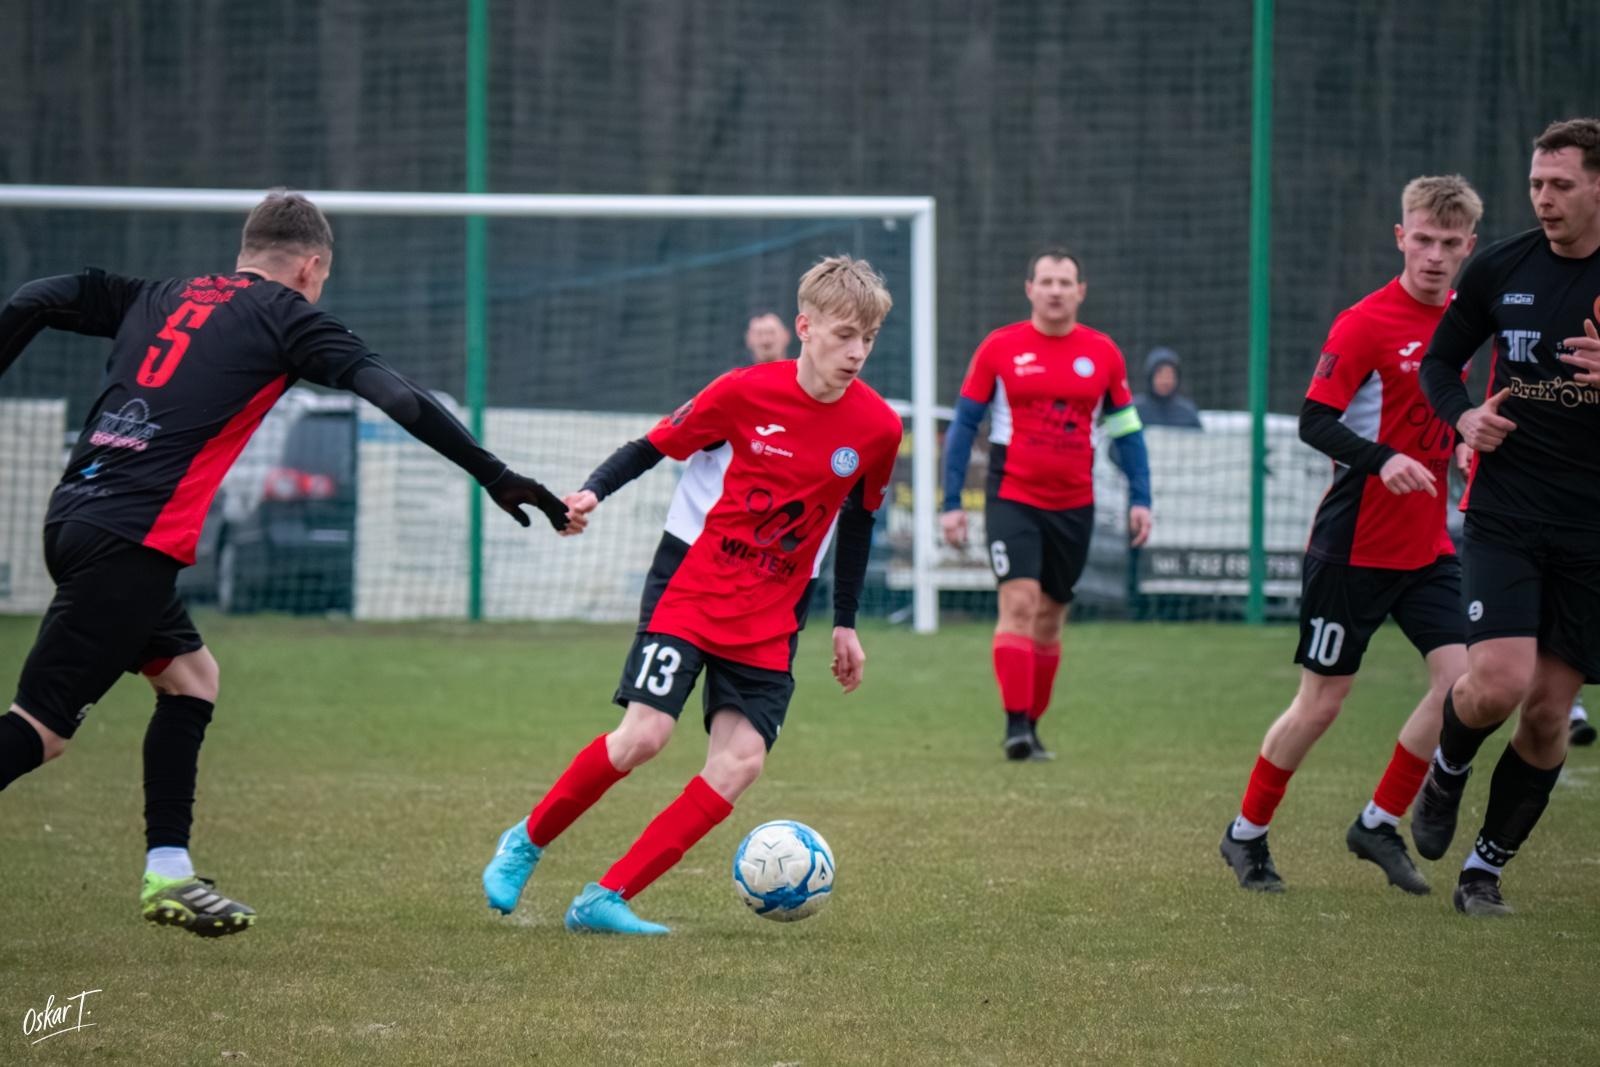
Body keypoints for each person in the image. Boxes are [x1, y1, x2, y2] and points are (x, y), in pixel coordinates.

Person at [0, 189, 571, 937]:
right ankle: (165, 870)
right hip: (129, 545)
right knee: (40, 729)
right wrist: (493, 473)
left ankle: (169, 873)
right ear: (310, 267)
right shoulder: (288, 317)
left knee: (192, 677)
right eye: (321, 279)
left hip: (76, 517)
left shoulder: (158, 295)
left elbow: (38, 295)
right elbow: (396, 395)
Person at [480, 255, 901, 935]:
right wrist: (592, 491)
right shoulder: (744, 392)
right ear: (805, 326)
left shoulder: (878, 428)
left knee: (741, 761)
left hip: (772, 615)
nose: (856, 352)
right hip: (697, 591)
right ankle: (525, 840)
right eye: (844, 333)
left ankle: (605, 897)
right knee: (644, 735)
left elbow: (859, 520)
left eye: (869, 339)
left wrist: (844, 623)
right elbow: (655, 443)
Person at [1219, 175, 1483, 895]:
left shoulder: (1465, 324)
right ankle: (1245, 835)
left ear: (1469, 248)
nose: (1433, 255)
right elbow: (1314, 419)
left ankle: (1377, 819)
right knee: (1323, 701)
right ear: (1401, 237)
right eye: (1422, 239)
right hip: (1353, 547)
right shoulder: (1365, 322)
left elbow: (1448, 409)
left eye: (1448, 243)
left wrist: (1463, 439)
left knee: (1463, 684)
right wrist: (1384, 458)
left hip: (1428, 547)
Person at [1415, 117, 1600, 917]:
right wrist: (1461, 418)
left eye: (1561, 184)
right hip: (1508, 508)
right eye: (1536, 184)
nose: (1545, 199)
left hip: (1592, 530)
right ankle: (1447, 769)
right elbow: (1438, 363)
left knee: (1551, 708)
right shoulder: (1501, 268)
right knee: (1496, 682)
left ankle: (1484, 868)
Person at [938, 249, 1152, 761]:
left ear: (1081, 291)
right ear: (1029, 288)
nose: (1056, 290)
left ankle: (1031, 726)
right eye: (1047, 281)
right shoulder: (1000, 348)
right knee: (1019, 604)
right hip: (1012, 498)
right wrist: (951, 501)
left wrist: (1141, 497)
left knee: (1052, 618)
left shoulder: (1103, 354)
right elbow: (965, 425)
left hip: (1075, 503)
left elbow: (1127, 432)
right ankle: (1014, 728)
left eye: (1066, 282)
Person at [1132, 346, 1204, 429]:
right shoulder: (1135, 410)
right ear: (1151, 376)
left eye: (1170, 375)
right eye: (1160, 375)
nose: (1165, 381)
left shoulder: (1187, 412)